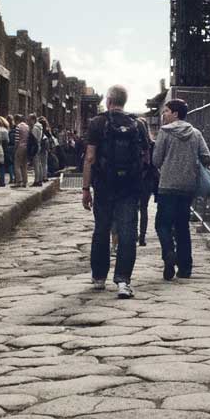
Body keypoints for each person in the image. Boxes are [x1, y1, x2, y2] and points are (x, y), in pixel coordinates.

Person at [83, 85, 152, 299]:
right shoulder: (138, 124)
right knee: (127, 233)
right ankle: (123, 281)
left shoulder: (97, 123)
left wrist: (86, 188)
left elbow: (90, 158)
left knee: (101, 230)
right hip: (130, 187)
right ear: (124, 101)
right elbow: (147, 158)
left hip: (104, 185)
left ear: (109, 100)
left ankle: (99, 278)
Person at [150, 98, 210, 281]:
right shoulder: (196, 133)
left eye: (166, 111)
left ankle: (169, 252)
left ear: (175, 114)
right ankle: (185, 268)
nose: (164, 115)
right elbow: (207, 157)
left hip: (168, 185)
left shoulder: (164, 133)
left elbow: (156, 160)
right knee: (182, 226)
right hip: (187, 187)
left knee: (162, 224)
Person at [10, 115, 31, 189]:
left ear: (16, 120)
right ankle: (25, 181)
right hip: (26, 147)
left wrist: (15, 149)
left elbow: (17, 140)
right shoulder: (27, 126)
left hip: (20, 147)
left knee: (17, 164)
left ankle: (18, 181)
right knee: (24, 165)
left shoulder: (18, 127)